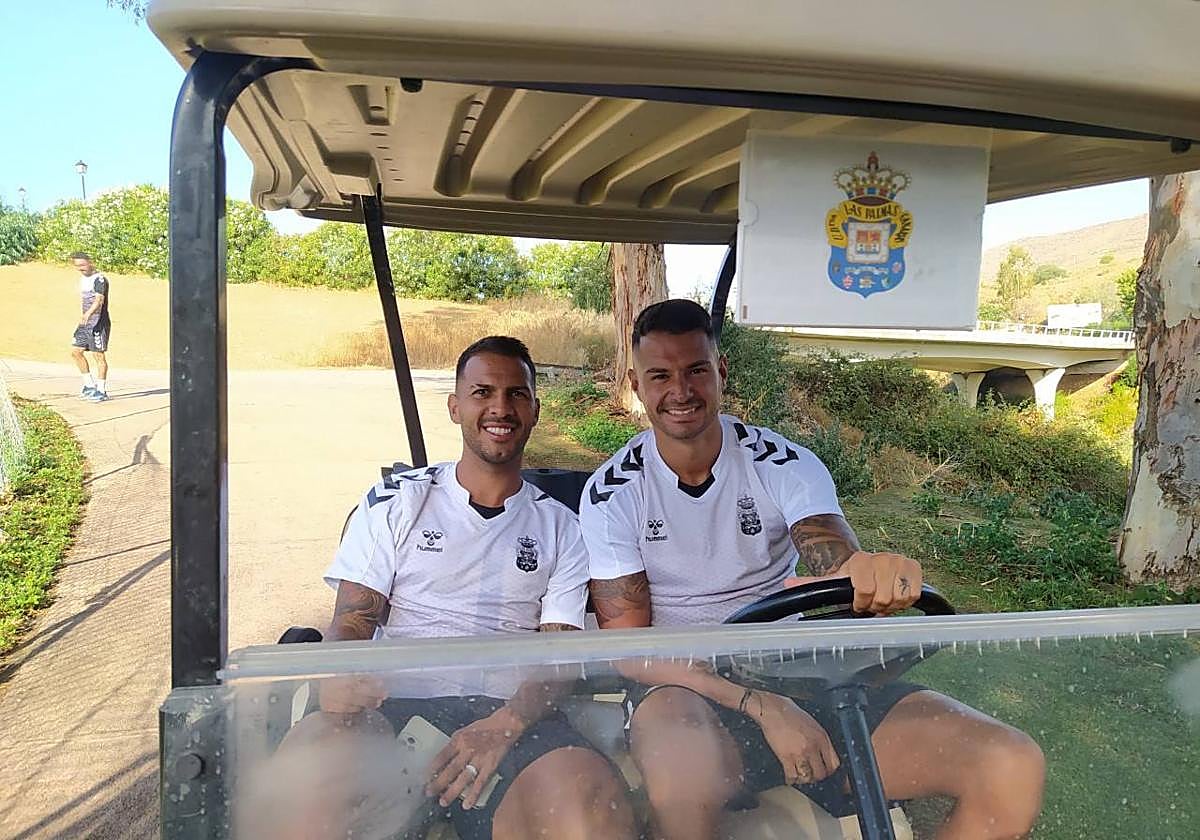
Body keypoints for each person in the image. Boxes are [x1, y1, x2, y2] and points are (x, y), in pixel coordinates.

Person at [579, 300, 1045, 840]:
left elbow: (835, 559)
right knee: (685, 786)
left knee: (1010, 763)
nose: (680, 391)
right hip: (681, 687)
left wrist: (867, 572)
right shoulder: (613, 492)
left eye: (696, 370)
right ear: (637, 384)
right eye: (660, 375)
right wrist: (761, 706)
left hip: (798, 673)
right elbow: (631, 651)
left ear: (721, 372)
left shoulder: (782, 462)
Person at [273, 336, 635, 840]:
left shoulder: (563, 528)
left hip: (509, 715)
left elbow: (559, 655)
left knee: (588, 801)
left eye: (516, 394)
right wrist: (336, 675)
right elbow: (353, 620)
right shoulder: (397, 502)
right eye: (482, 392)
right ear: (455, 406)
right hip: (391, 707)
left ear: (534, 409)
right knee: (306, 780)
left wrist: (505, 725)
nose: (500, 408)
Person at [69, 252, 112, 402]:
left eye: (82, 265)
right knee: (76, 352)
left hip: (98, 322)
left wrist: (88, 314)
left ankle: (101, 390)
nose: (80, 268)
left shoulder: (99, 279)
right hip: (85, 323)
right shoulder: (82, 279)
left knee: (98, 355)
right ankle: (89, 385)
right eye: (77, 266)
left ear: (90, 262)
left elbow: (99, 300)